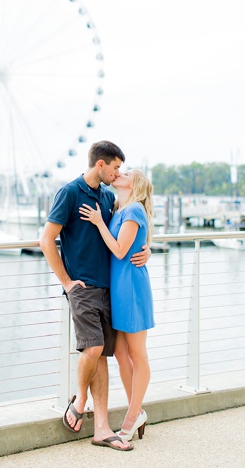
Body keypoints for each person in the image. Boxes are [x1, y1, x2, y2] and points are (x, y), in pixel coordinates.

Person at [40, 141, 151, 451]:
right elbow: (46, 240)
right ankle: (80, 399)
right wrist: (66, 281)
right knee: (94, 349)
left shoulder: (108, 198)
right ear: (100, 165)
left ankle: (101, 427)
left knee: (104, 353)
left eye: (122, 170)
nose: (118, 173)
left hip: (111, 289)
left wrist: (148, 250)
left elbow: (128, 234)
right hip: (83, 287)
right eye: (115, 167)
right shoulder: (70, 192)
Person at [79, 168, 156, 445]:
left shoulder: (133, 209)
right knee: (122, 353)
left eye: (127, 172)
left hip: (132, 289)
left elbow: (121, 250)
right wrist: (148, 247)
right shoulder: (118, 208)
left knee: (137, 354)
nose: (120, 173)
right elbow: (136, 243)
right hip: (119, 289)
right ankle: (138, 411)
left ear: (135, 184)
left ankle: (132, 416)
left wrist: (99, 223)